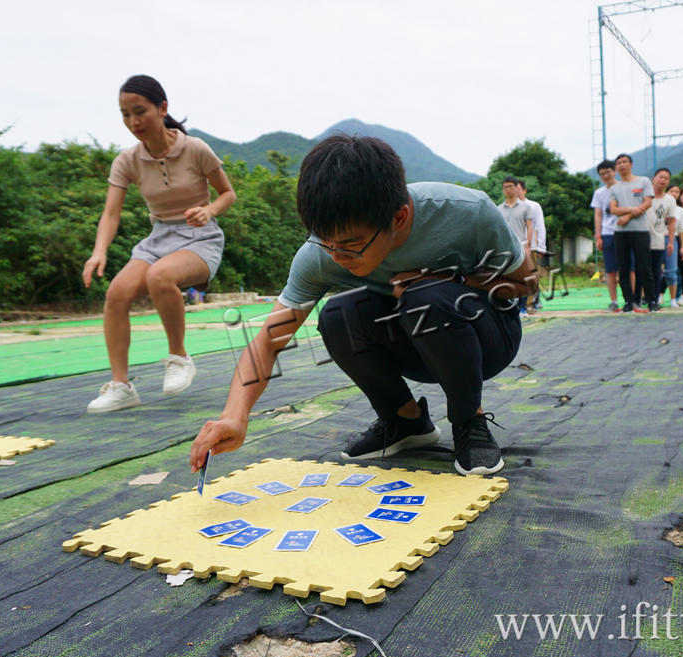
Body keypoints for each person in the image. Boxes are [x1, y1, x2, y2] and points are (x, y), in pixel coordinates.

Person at [189, 136, 537, 476]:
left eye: (351, 246)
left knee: (425, 296)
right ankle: (405, 421)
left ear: (398, 218)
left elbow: (527, 284)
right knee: (338, 315)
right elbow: (269, 339)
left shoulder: (467, 213)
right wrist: (235, 415)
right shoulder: (321, 253)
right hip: (414, 341)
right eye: (326, 243)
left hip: (487, 336)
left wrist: (452, 281)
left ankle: (468, 421)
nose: (338, 258)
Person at [82, 75, 236, 413]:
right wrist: (99, 252)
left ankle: (179, 357)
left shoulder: (195, 148)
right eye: (125, 114)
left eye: (140, 111)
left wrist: (208, 210)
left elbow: (228, 193)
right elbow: (110, 214)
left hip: (200, 237)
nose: (133, 122)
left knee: (160, 277)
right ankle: (121, 387)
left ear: (162, 108)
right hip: (158, 239)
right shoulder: (127, 161)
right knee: (117, 294)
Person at [609, 153, 655, 313]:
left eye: (625, 161)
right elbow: (614, 209)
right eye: (619, 163)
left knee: (644, 267)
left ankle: (651, 301)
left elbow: (647, 203)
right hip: (621, 232)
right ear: (616, 168)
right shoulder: (615, 188)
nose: (622, 165)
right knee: (623, 268)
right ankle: (628, 301)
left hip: (640, 230)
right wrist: (634, 209)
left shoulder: (643, 181)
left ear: (631, 164)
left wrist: (628, 215)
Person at [497, 177, 535, 315]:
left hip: (522, 245)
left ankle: (523, 307)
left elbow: (530, 227)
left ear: (516, 187)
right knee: (506, 277)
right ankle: (509, 307)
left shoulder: (526, 207)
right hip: (504, 248)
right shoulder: (498, 209)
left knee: (524, 277)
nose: (508, 189)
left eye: (510, 186)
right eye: (505, 187)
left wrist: (528, 245)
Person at [644, 168, 677, 310]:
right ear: (654, 178)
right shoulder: (645, 195)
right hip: (641, 239)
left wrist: (670, 242)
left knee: (656, 272)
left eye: (666, 178)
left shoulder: (670, 200)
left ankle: (654, 301)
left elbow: (672, 221)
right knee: (642, 271)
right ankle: (641, 299)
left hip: (658, 239)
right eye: (660, 177)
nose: (663, 180)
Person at [591, 160, 621, 312]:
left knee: (630, 269)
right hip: (607, 233)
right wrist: (599, 236)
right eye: (602, 174)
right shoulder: (599, 193)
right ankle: (614, 301)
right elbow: (598, 214)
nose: (605, 175)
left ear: (614, 171)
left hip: (625, 231)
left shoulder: (623, 188)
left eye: (608, 172)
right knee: (610, 269)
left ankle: (634, 299)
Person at [517, 180, 546, 312]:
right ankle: (522, 304)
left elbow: (540, 226)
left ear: (524, 190)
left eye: (518, 189)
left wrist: (541, 246)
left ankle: (531, 304)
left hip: (531, 246)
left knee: (532, 276)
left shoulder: (533, 206)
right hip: (516, 247)